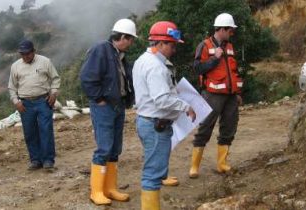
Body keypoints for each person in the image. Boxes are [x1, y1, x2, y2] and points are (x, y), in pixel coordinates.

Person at [133, 21, 196, 210]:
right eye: (172, 44)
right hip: (155, 125)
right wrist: (185, 106)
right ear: (160, 44)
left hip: (148, 121)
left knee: (154, 169)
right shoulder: (156, 67)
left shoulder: (142, 60)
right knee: (152, 175)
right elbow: (161, 99)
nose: (174, 49)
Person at [79, 18, 136, 205]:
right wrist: (99, 99)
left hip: (118, 105)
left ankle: (110, 188)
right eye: (131, 39)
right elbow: (87, 77)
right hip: (105, 106)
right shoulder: (101, 49)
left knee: (114, 149)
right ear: (122, 37)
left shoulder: (119, 54)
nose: (132, 43)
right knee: (104, 148)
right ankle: (96, 191)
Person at [190, 13, 243, 178]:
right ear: (221, 29)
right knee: (205, 128)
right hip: (212, 95)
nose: (232, 33)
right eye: (230, 30)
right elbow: (197, 68)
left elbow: (234, 71)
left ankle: (222, 164)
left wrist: (238, 93)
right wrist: (214, 58)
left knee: (229, 128)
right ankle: (194, 167)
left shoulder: (230, 47)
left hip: (231, 95)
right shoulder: (204, 46)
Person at [8, 40, 60, 170]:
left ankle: (48, 160)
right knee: (30, 132)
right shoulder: (15, 66)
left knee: (45, 130)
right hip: (25, 104)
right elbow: (12, 87)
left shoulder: (45, 61)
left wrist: (53, 94)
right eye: (22, 54)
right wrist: (16, 102)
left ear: (33, 51)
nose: (25, 56)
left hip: (44, 101)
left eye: (27, 53)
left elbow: (55, 78)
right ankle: (35, 160)